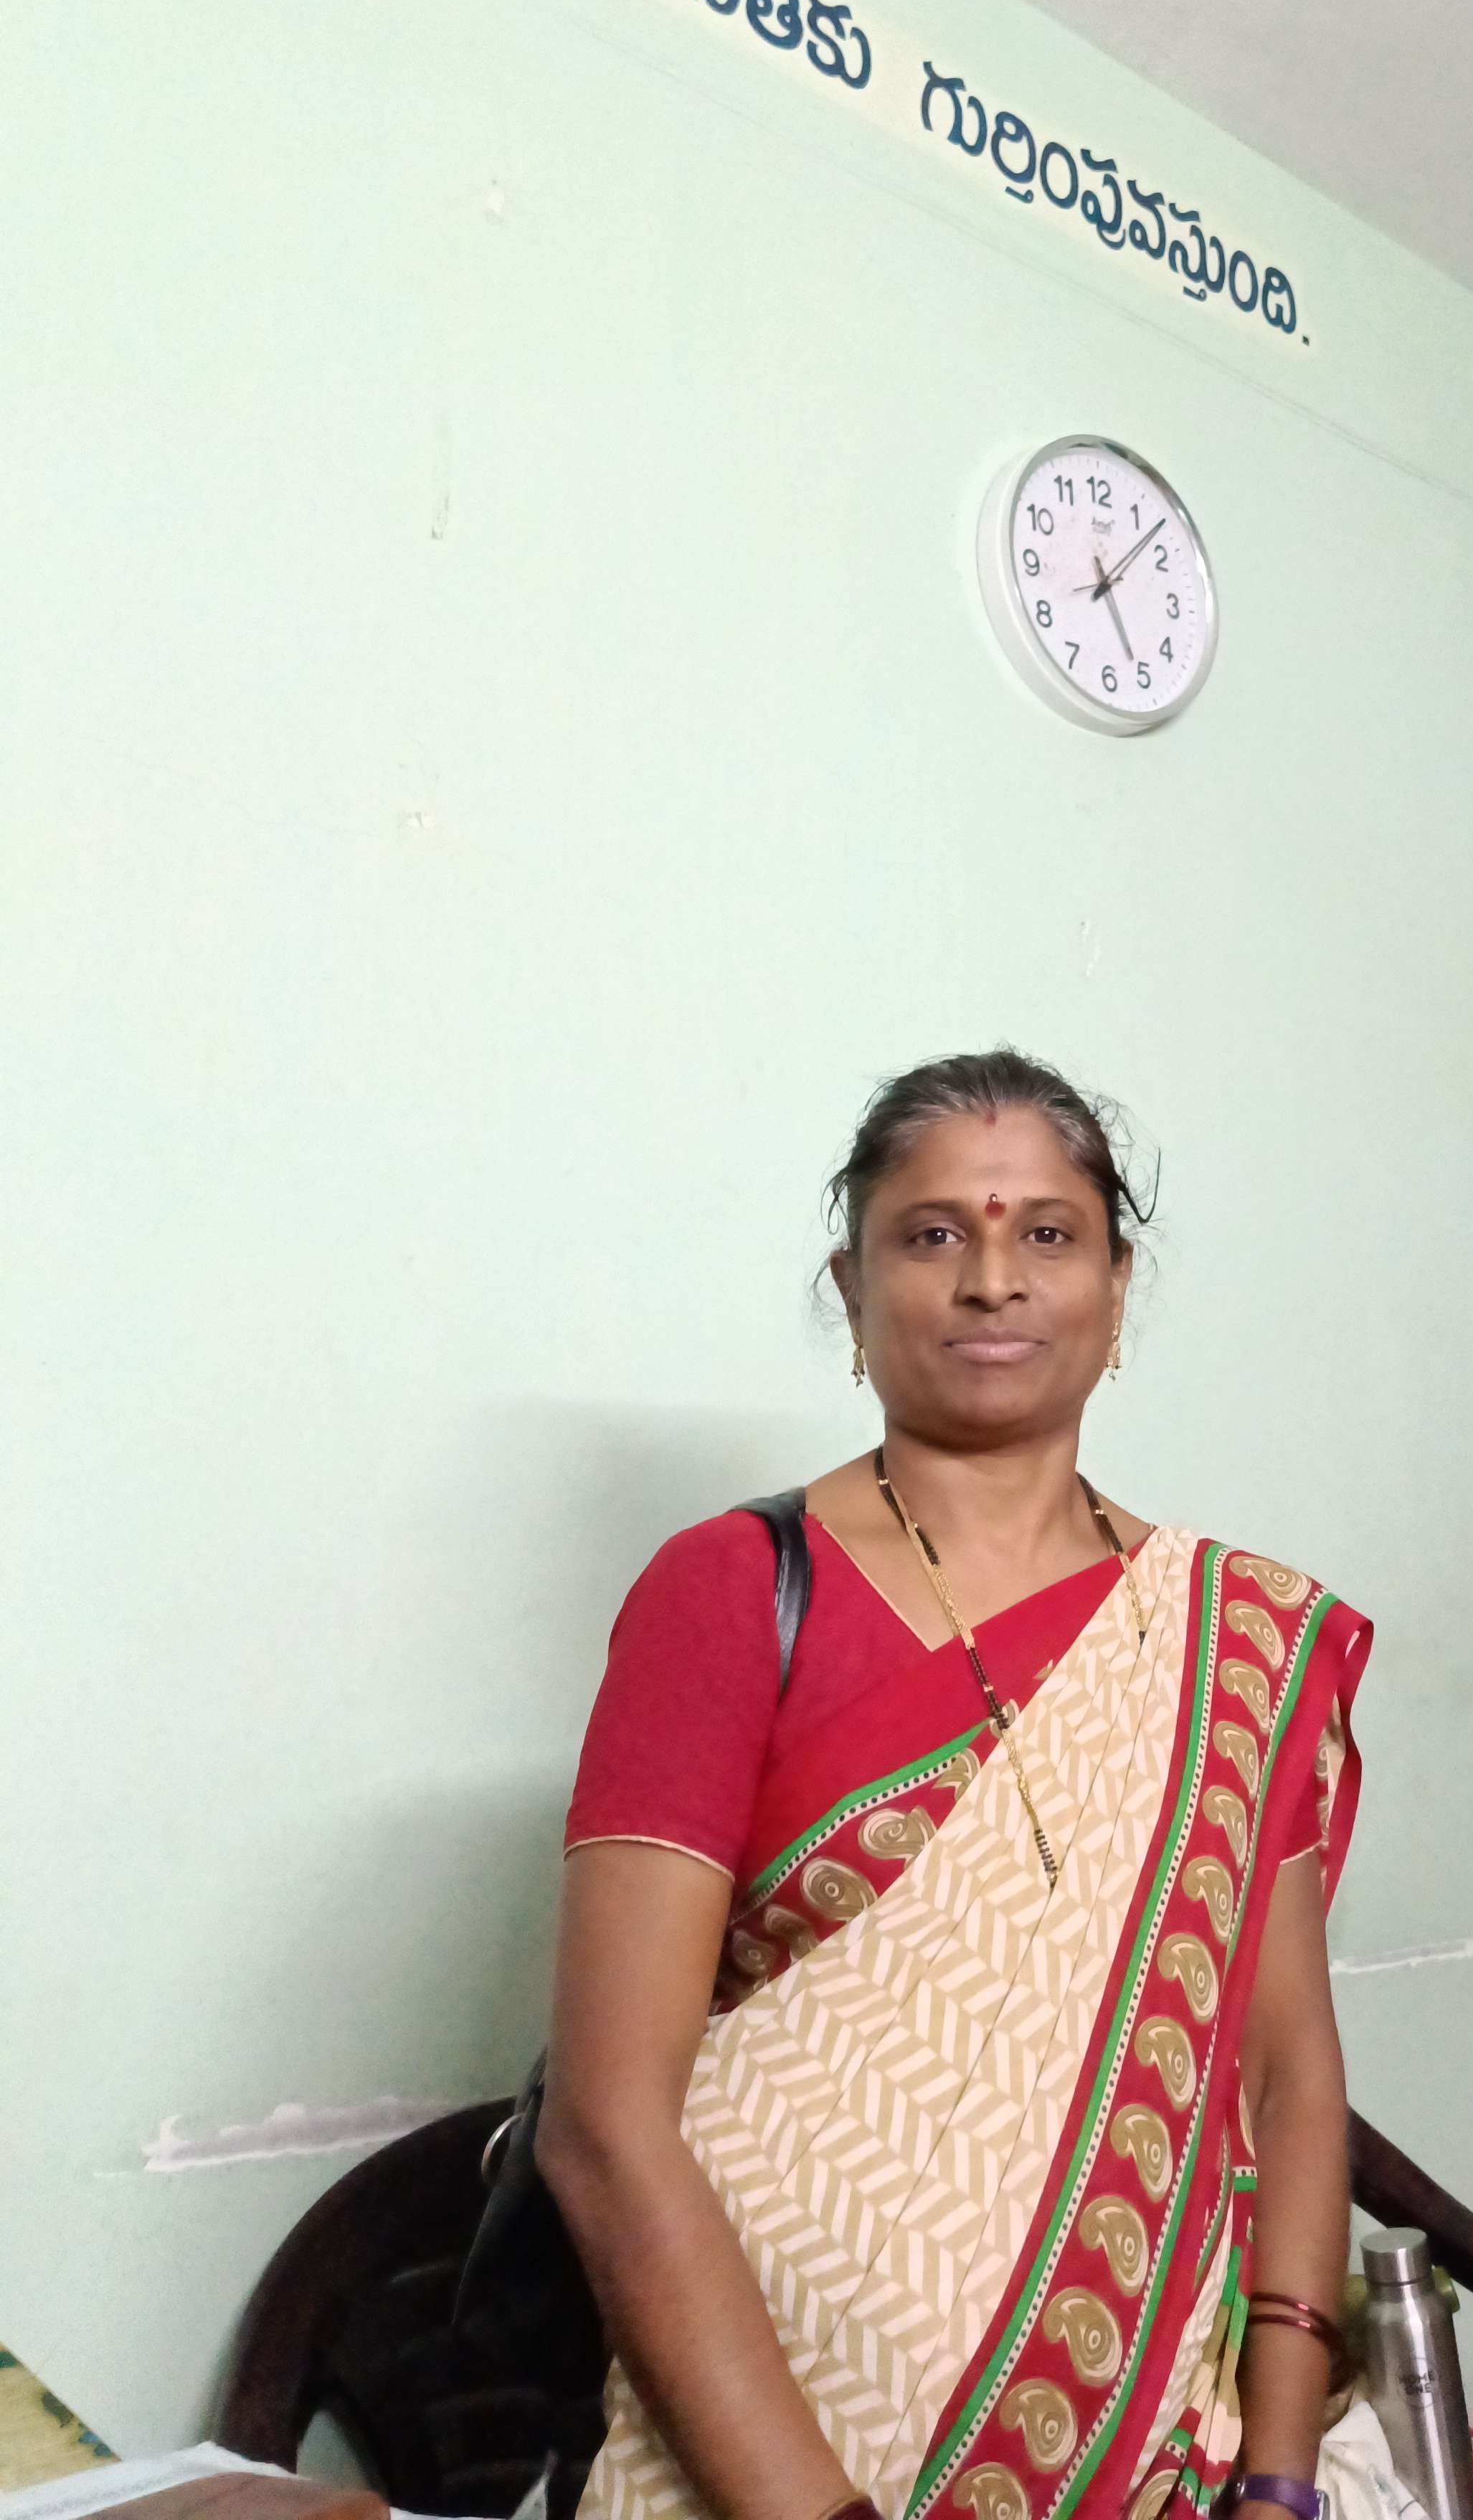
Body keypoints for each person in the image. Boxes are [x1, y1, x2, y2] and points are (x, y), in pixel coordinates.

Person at [537, 1050, 1372, 2520]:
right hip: (761, 2463)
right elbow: (604, 2126)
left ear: (1117, 1290)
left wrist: (1281, 2474)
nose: (994, 1279)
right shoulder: (727, 1592)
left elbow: (1291, 2074)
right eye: (933, 1234)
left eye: (1048, 1232)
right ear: (852, 1294)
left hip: (1155, 2466)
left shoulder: (1231, 1641)